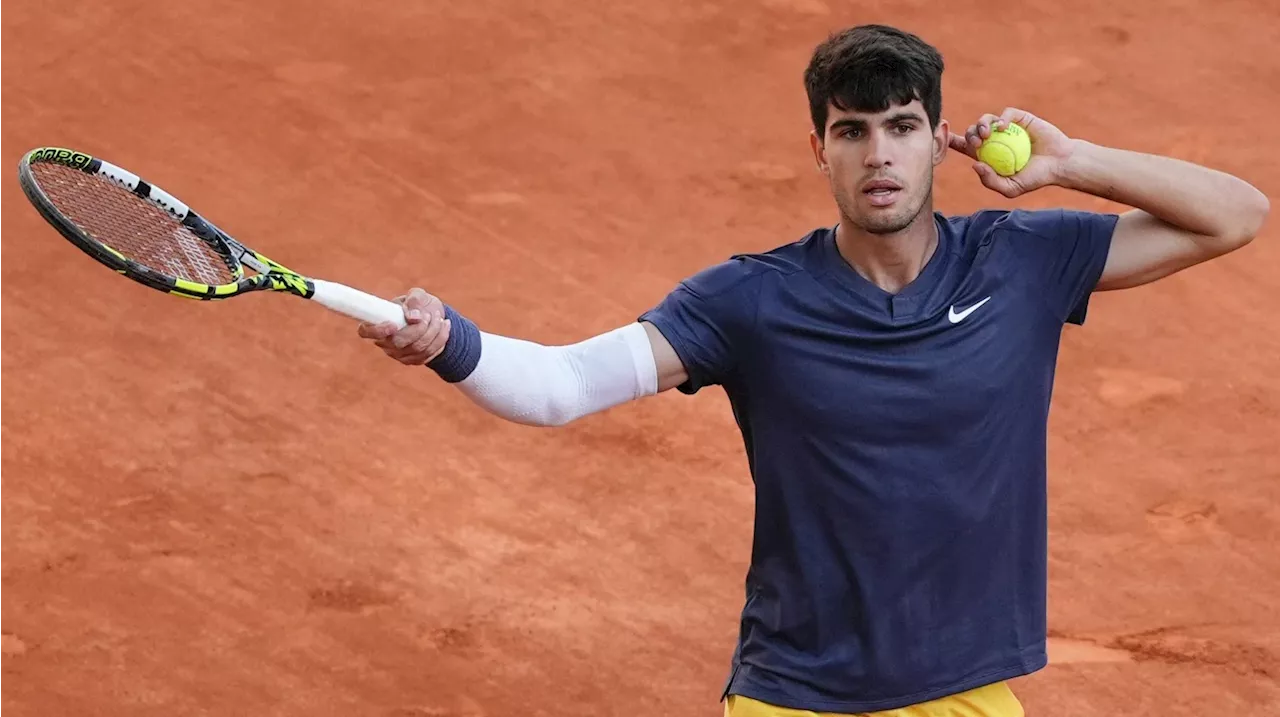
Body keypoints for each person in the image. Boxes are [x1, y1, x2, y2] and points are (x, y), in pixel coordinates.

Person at [355, 24, 1268, 717]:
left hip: (963, 692)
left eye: (903, 126)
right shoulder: (750, 302)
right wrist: (448, 343)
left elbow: (1235, 214)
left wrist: (1074, 163)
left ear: (939, 137)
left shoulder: (1023, 261)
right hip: (794, 695)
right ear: (819, 149)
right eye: (853, 130)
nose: (880, 154)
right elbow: (560, 387)